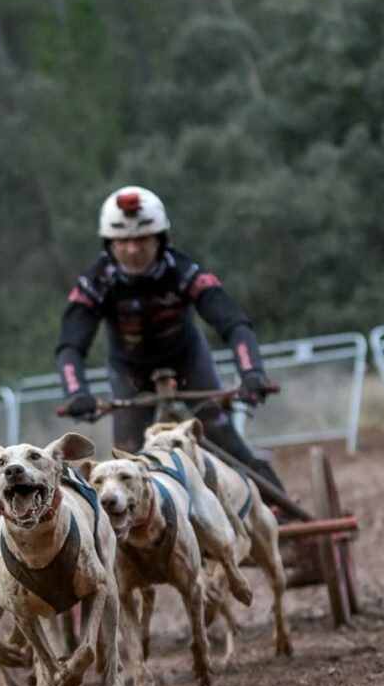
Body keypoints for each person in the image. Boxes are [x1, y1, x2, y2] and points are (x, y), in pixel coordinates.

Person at [55, 185, 284, 490]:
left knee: (221, 436)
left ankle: (274, 505)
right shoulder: (96, 282)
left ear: (160, 241)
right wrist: (76, 392)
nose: (133, 250)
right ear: (109, 244)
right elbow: (71, 344)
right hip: (130, 372)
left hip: (189, 361)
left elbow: (233, 323)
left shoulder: (184, 270)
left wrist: (252, 371)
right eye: (123, 242)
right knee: (126, 455)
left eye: (143, 240)